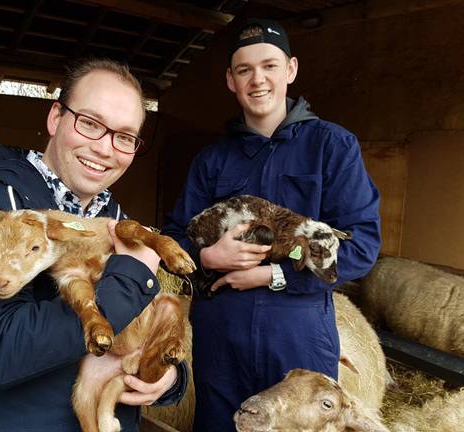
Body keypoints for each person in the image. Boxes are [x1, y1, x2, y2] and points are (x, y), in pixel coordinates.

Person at [0, 59, 188, 431]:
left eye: (125, 136)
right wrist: (130, 281)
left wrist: (169, 379)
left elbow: (145, 327)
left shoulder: (113, 219)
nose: (104, 148)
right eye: (90, 123)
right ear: (56, 119)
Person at [162, 18, 381, 431]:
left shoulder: (332, 147)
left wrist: (274, 275)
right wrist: (207, 255)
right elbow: (173, 238)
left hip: (297, 333)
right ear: (230, 79)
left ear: (291, 70)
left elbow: (362, 246)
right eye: (244, 70)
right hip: (220, 335)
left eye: (269, 66)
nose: (257, 79)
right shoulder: (213, 160)